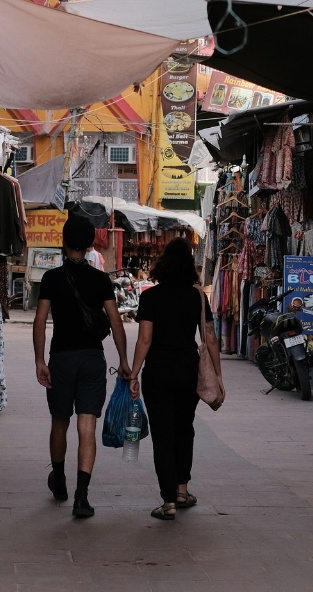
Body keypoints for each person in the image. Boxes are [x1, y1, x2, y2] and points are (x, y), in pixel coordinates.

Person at [33, 215, 130, 518]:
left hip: (61, 359)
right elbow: (116, 323)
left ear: (64, 243)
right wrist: (124, 361)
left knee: (59, 421)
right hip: (91, 360)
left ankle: (59, 480)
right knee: (86, 424)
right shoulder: (101, 280)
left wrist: (39, 360)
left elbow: (39, 322)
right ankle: (81, 497)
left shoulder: (51, 279)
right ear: (90, 246)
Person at [127, 238, 222, 521]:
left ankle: (168, 500)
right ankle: (182, 490)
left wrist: (134, 373)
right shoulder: (197, 297)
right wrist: (218, 375)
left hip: (157, 371)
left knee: (163, 434)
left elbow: (145, 339)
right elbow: (210, 339)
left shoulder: (150, 297)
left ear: (163, 265)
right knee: (184, 429)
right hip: (187, 370)